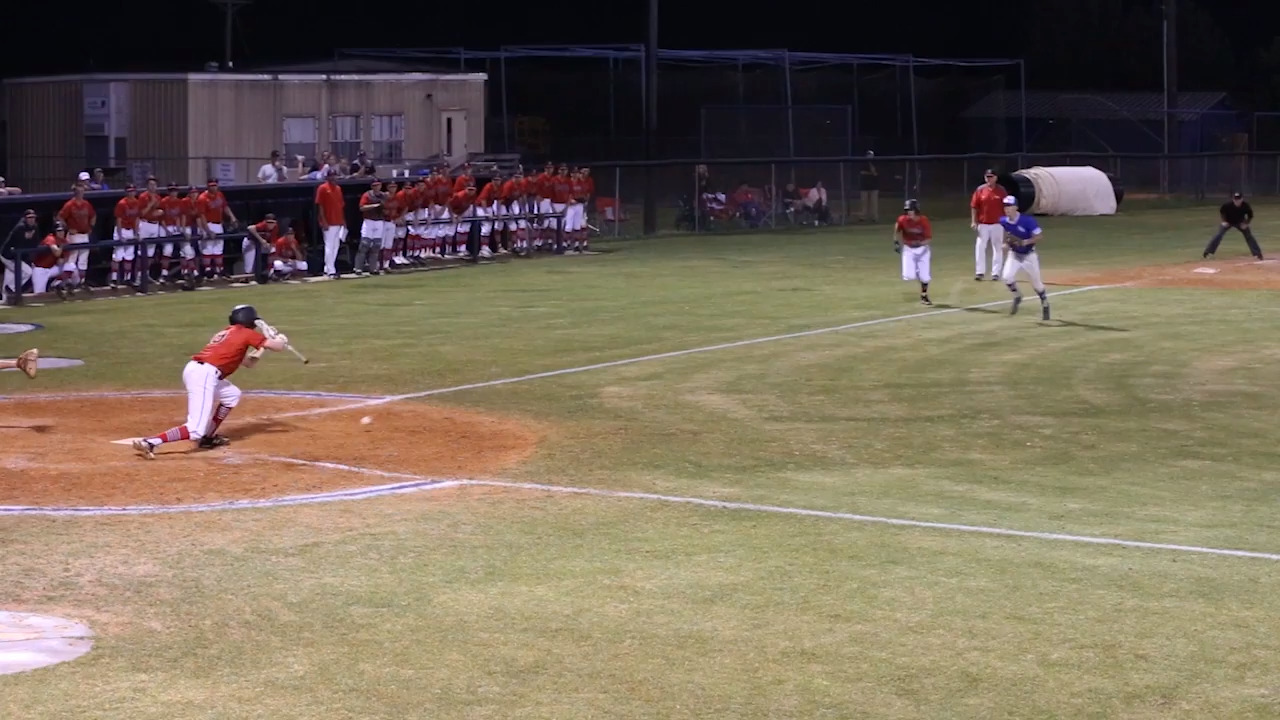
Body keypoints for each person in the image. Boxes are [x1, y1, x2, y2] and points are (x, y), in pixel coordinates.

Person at [131, 305, 289, 459]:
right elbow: (278, 347)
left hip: (200, 371)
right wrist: (279, 340)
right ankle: (151, 442)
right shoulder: (245, 332)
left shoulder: (229, 333)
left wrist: (264, 346)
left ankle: (207, 437)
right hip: (205, 374)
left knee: (232, 394)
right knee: (195, 429)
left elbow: (249, 363)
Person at [998, 196, 1050, 320]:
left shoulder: (1027, 221)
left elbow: (1039, 236)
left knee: (1036, 284)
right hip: (1014, 254)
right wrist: (1005, 244)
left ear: (1016, 207)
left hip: (1029, 255)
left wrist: (1025, 242)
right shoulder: (1003, 220)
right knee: (1007, 277)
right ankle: (1017, 296)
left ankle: (1045, 302)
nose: (1007, 209)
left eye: (1009, 206)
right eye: (1005, 206)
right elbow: (1007, 233)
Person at [894, 199, 933, 306]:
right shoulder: (903, 219)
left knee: (925, 277)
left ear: (916, 210)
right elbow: (897, 228)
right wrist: (896, 242)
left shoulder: (923, 220)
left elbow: (928, 238)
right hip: (909, 249)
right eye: (907, 210)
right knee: (908, 276)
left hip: (923, 250)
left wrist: (919, 243)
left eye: (911, 210)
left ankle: (924, 295)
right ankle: (918, 272)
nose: (909, 212)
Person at [970, 168, 1007, 281]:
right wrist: (974, 221)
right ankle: (980, 272)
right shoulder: (980, 190)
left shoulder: (1001, 190)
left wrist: (1006, 222)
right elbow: (974, 206)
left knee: (997, 248)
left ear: (996, 178)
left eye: (991, 177)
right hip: (983, 223)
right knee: (980, 247)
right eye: (987, 177)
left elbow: (1006, 206)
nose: (989, 179)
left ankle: (996, 273)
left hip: (998, 224)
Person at [1203, 192, 1262, 260]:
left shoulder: (1245, 205)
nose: (1237, 201)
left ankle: (1257, 254)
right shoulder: (1227, 205)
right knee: (1219, 235)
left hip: (1240, 222)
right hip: (1228, 222)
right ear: (1233, 199)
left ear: (1242, 199)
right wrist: (1224, 221)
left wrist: (1246, 223)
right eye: (1235, 199)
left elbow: (1250, 215)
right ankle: (1208, 252)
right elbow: (1222, 212)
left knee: (1249, 236)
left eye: (1238, 199)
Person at [314, 169, 346, 279]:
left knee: (335, 246)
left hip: (338, 221)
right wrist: (323, 221)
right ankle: (331, 271)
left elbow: (341, 206)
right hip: (328, 221)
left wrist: (343, 221)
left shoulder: (338, 188)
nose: (333, 177)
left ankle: (327, 268)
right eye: (331, 176)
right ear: (327, 177)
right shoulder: (322, 188)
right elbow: (320, 206)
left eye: (334, 175)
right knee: (329, 246)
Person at [1, 209, 40, 300]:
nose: (32, 219)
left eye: (33, 217)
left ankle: (5, 299)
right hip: (7, 256)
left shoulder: (35, 227)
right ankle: (11, 288)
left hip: (17, 256)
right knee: (27, 272)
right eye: (29, 218)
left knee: (10, 277)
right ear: (25, 218)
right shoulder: (20, 227)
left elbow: (35, 244)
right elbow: (18, 247)